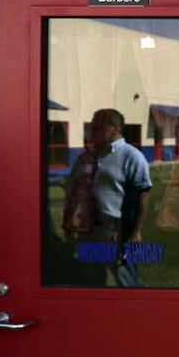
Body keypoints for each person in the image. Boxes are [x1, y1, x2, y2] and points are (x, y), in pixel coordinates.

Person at [63, 108, 153, 287]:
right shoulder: (87, 157)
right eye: (93, 126)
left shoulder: (132, 156)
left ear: (115, 128)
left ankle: (134, 313)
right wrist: (69, 222)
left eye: (99, 126)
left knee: (126, 280)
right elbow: (71, 190)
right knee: (91, 280)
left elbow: (143, 196)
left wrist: (135, 232)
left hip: (116, 230)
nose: (93, 130)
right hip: (88, 229)